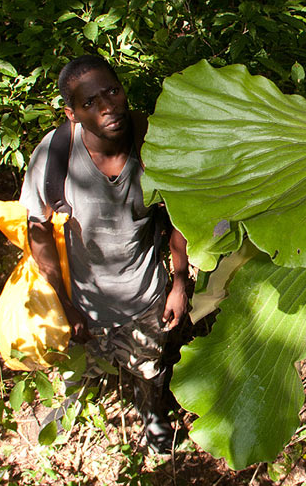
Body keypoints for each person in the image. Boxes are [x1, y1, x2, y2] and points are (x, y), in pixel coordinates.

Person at [19, 54, 189, 453]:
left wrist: (179, 283)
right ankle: (69, 405)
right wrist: (63, 302)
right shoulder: (55, 154)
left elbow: (183, 215)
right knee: (78, 368)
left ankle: (153, 418)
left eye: (112, 91)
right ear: (72, 113)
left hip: (145, 297)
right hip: (85, 300)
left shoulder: (156, 141)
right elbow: (37, 226)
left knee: (149, 368)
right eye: (90, 102)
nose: (108, 105)